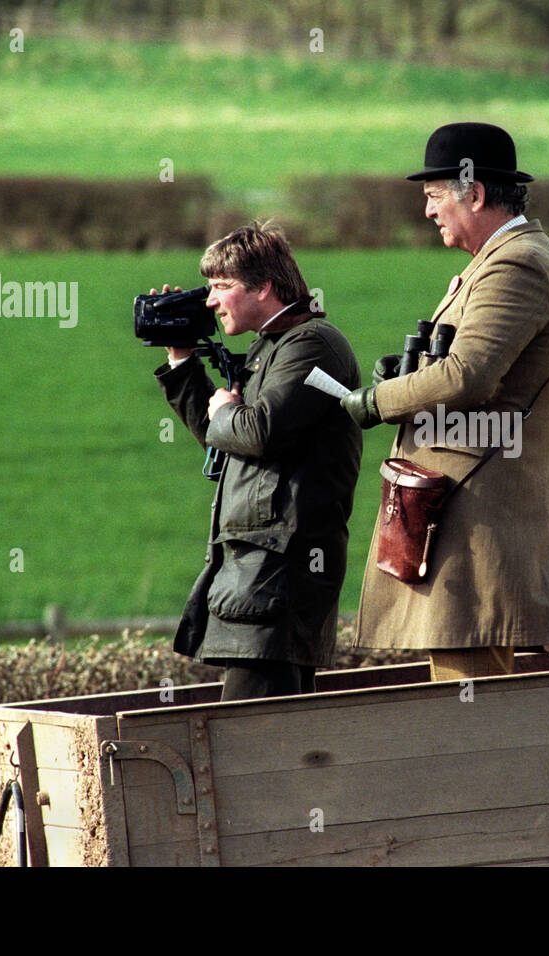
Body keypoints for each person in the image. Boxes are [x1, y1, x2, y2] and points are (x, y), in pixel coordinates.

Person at [341, 122, 549, 682]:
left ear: (476, 194)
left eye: (435, 196)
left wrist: (378, 400)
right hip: (466, 506)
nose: (428, 211)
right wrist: (413, 375)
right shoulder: (504, 259)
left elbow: (468, 375)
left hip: (477, 515)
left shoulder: (515, 264)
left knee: (472, 704)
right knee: (470, 690)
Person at [153, 223, 362, 699]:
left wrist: (228, 409)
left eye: (222, 287)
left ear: (264, 287)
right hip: (257, 576)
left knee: (252, 745)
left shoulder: (313, 346)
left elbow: (258, 431)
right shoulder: (274, 347)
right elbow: (223, 435)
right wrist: (183, 358)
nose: (210, 301)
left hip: (280, 577)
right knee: (272, 741)